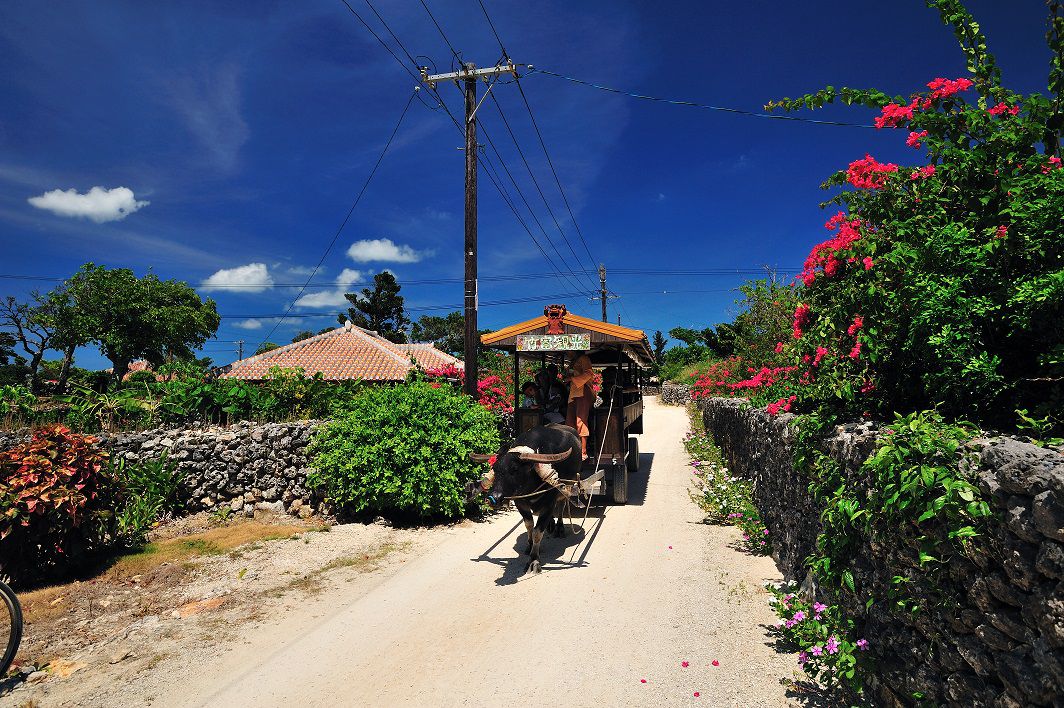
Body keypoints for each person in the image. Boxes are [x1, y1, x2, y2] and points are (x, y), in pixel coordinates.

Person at [565, 353, 596, 460]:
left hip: (583, 391)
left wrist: (572, 379)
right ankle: (572, 448)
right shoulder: (573, 361)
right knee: (570, 422)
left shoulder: (583, 358)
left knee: (580, 421)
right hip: (574, 392)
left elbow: (588, 373)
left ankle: (583, 451)